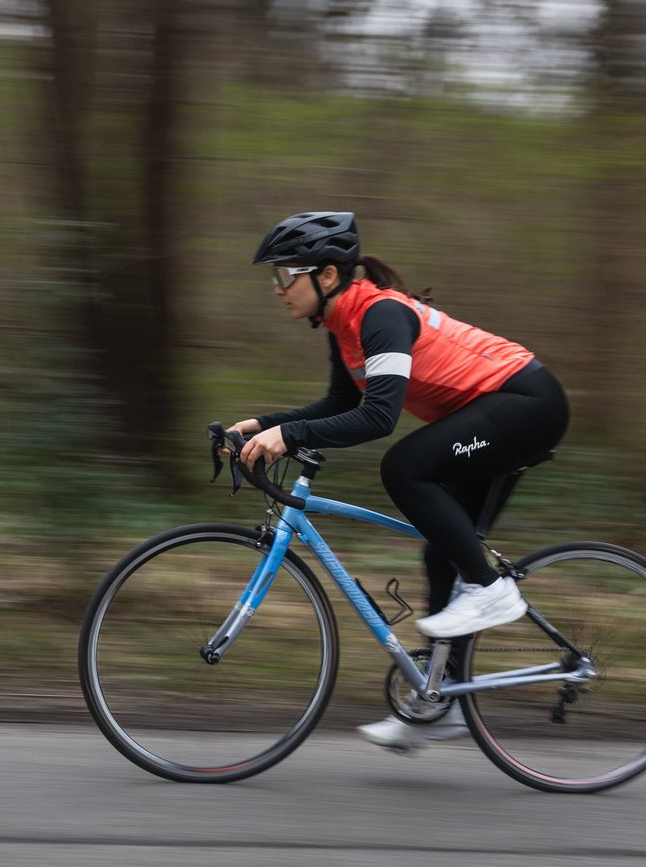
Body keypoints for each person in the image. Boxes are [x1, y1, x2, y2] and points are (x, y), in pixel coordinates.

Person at [228, 211, 569, 753]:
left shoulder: (381, 315)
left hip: (528, 405)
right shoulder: (345, 328)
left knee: (404, 467)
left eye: (286, 275)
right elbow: (341, 405)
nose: (278, 288)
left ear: (328, 276)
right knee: (441, 551)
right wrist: (264, 425)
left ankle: (491, 590)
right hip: (495, 413)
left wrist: (288, 439)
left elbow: (378, 418)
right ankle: (444, 702)